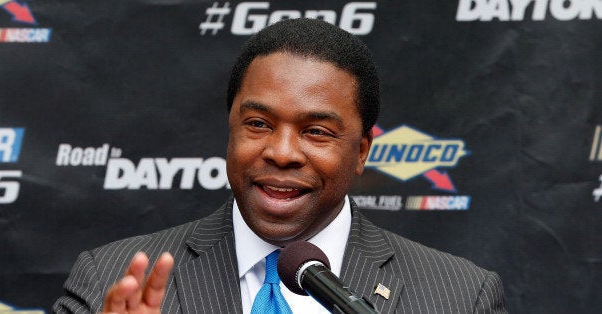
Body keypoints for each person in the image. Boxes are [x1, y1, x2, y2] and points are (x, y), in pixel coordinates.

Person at [54, 18, 506, 313]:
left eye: (316, 131)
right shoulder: (108, 282)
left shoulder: (460, 296)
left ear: (362, 151)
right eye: (258, 123)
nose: (282, 152)